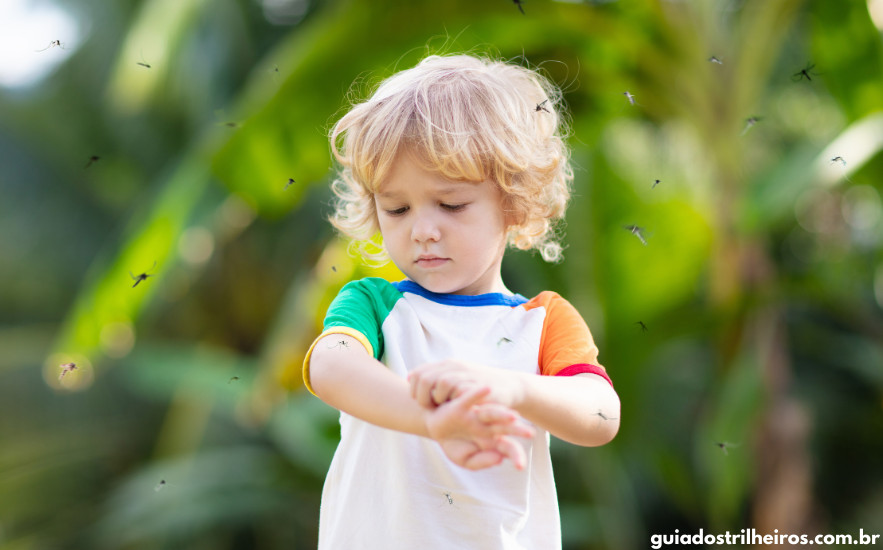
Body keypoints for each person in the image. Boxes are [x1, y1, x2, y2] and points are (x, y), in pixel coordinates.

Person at [302, 53, 620, 549]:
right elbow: (329, 367)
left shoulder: (541, 322)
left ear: (515, 202)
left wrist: (511, 390)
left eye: (451, 204)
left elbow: (602, 416)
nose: (423, 230)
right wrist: (429, 418)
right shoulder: (374, 304)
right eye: (397, 208)